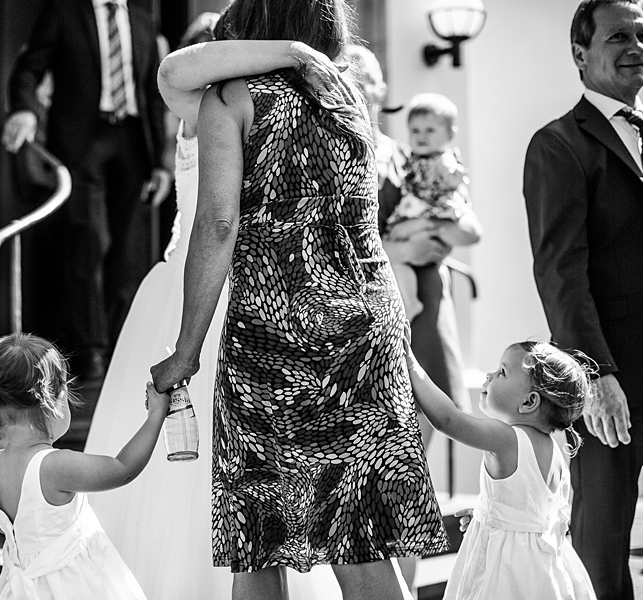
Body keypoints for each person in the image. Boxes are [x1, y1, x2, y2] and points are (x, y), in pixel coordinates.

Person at [150, 2, 449, 598]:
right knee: (364, 542)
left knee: (258, 546)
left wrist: (186, 350)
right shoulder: (346, 98)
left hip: (273, 336)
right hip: (366, 329)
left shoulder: (231, 98)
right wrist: (298, 52)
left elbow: (216, 224)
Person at [84, 13, 346, 600]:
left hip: (259, 297)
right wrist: (298, 49)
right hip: (193, 287)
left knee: (255, 478)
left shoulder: (272, 106)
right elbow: (176, 69)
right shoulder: (202, 104)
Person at [522, 2, 643, 598]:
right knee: (603, 534)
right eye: (619, 35)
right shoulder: (559, 144)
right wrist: (596, 373)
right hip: (613, 371)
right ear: (581, 55)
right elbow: (560, 271)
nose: (637, 45)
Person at [343, 44, 474, 596]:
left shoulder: (407, 154)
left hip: (420, 302)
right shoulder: (327, 148)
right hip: (365, 311)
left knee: (410, 458)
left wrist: (427, 238)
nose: (362, 90)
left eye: (370, 82)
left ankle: (407, 576)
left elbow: (467, 227)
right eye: (350, 79)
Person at [2, 0, 172, 380]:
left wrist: (162, 163)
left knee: (126, 250)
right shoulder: (64, 12)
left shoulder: (143, 19)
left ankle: (118, 346)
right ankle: (91, 349)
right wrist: (25, 109)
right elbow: (30, 68)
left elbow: (153, 94)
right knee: (88, 239)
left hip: (132, 143)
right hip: (82, 141)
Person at [0, 332, 169, 600]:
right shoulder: (53, 466)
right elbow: (122, 469)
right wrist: (155, 416)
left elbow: (5, 527)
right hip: (71, 586)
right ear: (52, 400)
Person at [407, 340, 598, 599]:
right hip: (544, 570)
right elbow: (529, 513)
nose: (490, 375)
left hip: (505, 568)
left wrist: (411, 364)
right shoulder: (553, 451)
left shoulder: (507, 438)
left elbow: (448, 419)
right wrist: (491, 514)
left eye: (502, 372)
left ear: (529, 402)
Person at [384, 93, 482, 320]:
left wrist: (453, 174)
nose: (421, 136)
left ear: (449, 135)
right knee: (400, 259)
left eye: (430, 130)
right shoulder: (412, 158)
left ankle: (409, 302)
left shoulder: (441, 158)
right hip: (415, 212)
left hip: (433, 210)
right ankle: (410, 302)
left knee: (401, 246)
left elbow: (451, 174)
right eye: (415, 130)